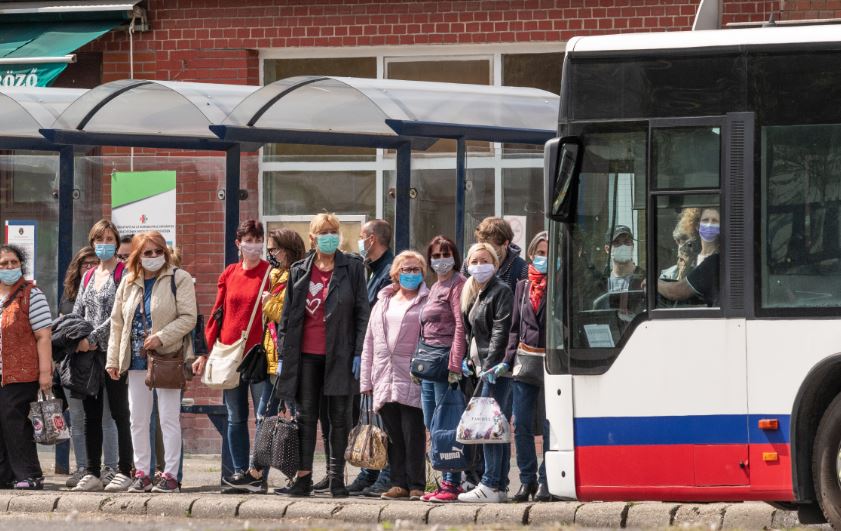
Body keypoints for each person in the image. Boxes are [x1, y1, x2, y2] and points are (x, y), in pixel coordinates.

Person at [275, 213, 369, 498]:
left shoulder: (352, 267)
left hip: (340, 354)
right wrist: (283, 353)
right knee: (305, 417)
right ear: (312, 238)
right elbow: (287, 316)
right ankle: (303, 478)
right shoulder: (300, 269)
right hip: (305, 355)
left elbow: (362, 312)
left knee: (339, 417)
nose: (329, 236)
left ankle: (336, 479)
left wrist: (358, 351)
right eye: (323, 232)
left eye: (334, 231)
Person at [107, 231, 197, 493]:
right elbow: (117, 323)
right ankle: (143, 473)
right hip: (135, 359)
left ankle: (170, 475)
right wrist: (113, 359)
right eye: (148, 253)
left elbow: (188, 317)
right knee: (138, 418)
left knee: (168, 418)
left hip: (167, 357)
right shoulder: (129, 281)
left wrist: (161, 337)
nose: (154, 256)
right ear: (137, 255)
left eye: (159, 251)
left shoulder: (178, 278)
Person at [194, 219, 271, 494]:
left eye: (258, 238)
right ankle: (239, 472)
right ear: (238, 244)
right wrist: (205, 351)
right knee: (235, 416)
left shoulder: (270, 273)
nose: (254, 245)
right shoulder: (229, 273)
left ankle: (257, 473)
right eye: (249, 240)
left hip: (259, 355)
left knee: (264, 417)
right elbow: (217, 312)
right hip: (229, 354)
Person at [360, 250, 429, 501]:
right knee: (392, 434)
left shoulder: (426, 301)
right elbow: (369, 341)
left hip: (411, 375)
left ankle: (416, 484)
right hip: (383, 375)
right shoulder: (383, 301)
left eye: (415, 269)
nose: (410, 274)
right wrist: (366, 380)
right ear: (395, 274)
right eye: (405, 269)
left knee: (413, 433)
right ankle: (397, 483)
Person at [72, 220, 134, 492]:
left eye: (110, 239)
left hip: (114, 352)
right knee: (91, 414)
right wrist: (76, 338)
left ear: (117, 243)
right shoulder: (88, 275)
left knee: (120, 412)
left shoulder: (124, 273)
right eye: (99, 239)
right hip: (89, 355)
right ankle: (92, 471)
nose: (104, 244)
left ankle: (124, 469)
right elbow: (78, 310)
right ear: (92, 242)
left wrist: (93, 339)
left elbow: (119, 314)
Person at [58, 246, 119, 489]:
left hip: (99, 355)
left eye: (94, 262)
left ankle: (110, 468)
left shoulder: (107, 286)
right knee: (78, 418)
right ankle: (82, 467)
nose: (90, 266)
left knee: (106, 416)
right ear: (77, 267)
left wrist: (91, 340)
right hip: (74, 362)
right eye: (85, 263)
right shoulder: (70, 296)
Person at [458, 242, 513, 503]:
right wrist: (467, 361)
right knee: (495, 427)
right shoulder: (473, 291)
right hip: (480, 369)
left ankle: (491, 482)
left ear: (495, 262)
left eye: (484, 260)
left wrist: (489, 367)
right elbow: (472, 333)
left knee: (488, 426)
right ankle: (498, 486)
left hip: (495, 372)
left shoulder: (500, 291)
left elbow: (500, 331)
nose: (479, 266)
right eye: (474, 261)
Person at [252, 228, 305, 491]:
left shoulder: (297, 274)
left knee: (293, 417)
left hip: (288, 358)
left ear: (288, 249)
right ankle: (256, 472)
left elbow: (285, 314)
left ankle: (297, 475)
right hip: (270, 354)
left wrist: (268, 302)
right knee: (263, 416)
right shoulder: (272, 275)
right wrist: (268, 301)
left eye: (274, 249)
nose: (270, 254)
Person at [418, 235, 467, 503]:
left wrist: (455, 363)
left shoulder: (457, 284)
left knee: (447, 424)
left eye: (445, 254)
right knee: (431, 423)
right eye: (435, 256)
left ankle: (452, 481)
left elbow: (460, 325)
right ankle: (442, 479)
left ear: (454, 256)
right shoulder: (434, 286)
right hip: (428, 364)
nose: (440, 260)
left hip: (445, 364)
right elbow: (425, 327)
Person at [0, 245, 53, 490]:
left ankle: (30, 475)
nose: (9, 267)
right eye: (3, 264)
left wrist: (45, 374)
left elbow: (43, 336)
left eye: (13, 262)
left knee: (16, 424)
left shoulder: (32, 294)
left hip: (22, 374)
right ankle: (6, 475)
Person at [507, 231, 554, 503]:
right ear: (531, 254)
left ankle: (548, 480)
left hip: (551, 362)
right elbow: (514, 328)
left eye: (548, 253)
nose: (543, 257)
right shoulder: (523, 286)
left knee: (549, 425)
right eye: (540, 252)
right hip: (524, 362)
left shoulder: (560, 284)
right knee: (521, 423)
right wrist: (508, 360)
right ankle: (528, 480)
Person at [353, 219, 394, 496]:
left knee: (385, 419)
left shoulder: (390, 271)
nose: (359, 241)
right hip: (368, 354)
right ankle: (369, 471)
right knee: (368, 416)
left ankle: (386, 473)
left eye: (361, 236)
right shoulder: (368, 269)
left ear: (372, 239)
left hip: (386, 355)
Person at [658, 207, 721, 307]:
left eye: (715, 221)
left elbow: (677, 291)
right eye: (705, 220)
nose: (709, 225)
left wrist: (652, 283)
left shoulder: (716, 261)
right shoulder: (691, 256)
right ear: (697, 225)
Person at [471, 217, 528, 293]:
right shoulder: (470, 263)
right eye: (482, 248)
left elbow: (522, 302)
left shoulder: (521, 268)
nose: (486, 254)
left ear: (505, 243)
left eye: (491, 249)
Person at [659, 208, 701, 281]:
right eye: (682, 240)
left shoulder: (708, 271)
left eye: (691, 243)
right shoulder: (667, 275)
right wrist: (681, 274)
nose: (686, 247)